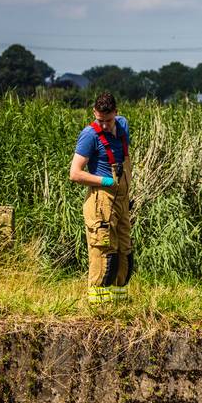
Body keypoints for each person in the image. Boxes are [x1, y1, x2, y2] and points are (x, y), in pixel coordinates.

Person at [69, 92, 133, 305]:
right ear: (94, 113)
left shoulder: (123, 126)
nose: (104, 125)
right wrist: (106, 181)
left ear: (116, 113)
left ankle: (119, 302)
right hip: (101, 200)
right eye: (100, 120)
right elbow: (75, 173)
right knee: (104, 250)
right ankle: (98, 304)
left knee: (124, 250)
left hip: (122, 199)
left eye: (108, 120)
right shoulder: (89, 135)